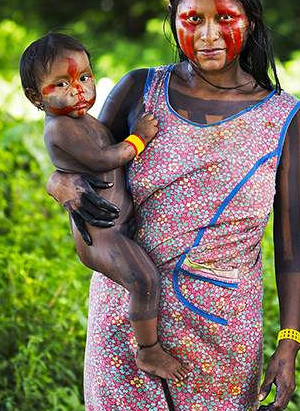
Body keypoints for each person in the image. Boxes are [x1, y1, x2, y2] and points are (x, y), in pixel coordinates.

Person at [44, 0, 300, 411]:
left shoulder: (283, 118)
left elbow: (293, 242)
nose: (208, 35)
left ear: (249, 21)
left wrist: (289, 343)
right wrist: (57, 185)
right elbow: (78, 155)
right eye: (193, 19)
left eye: (224, 18)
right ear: (174, 21)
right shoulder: (139, 91)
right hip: (125, 320)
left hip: (222, 336)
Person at [20, 33, 188, 381]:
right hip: (102, 234)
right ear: (36, 97)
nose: (78, 89)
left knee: (145, 278)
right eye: (62, 83)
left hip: (117, 228)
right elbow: (103, 158)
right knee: (144, 280)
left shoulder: (83, 120)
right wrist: (139, 136)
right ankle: (148, 351)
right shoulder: (61, 129)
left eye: (84, 77)